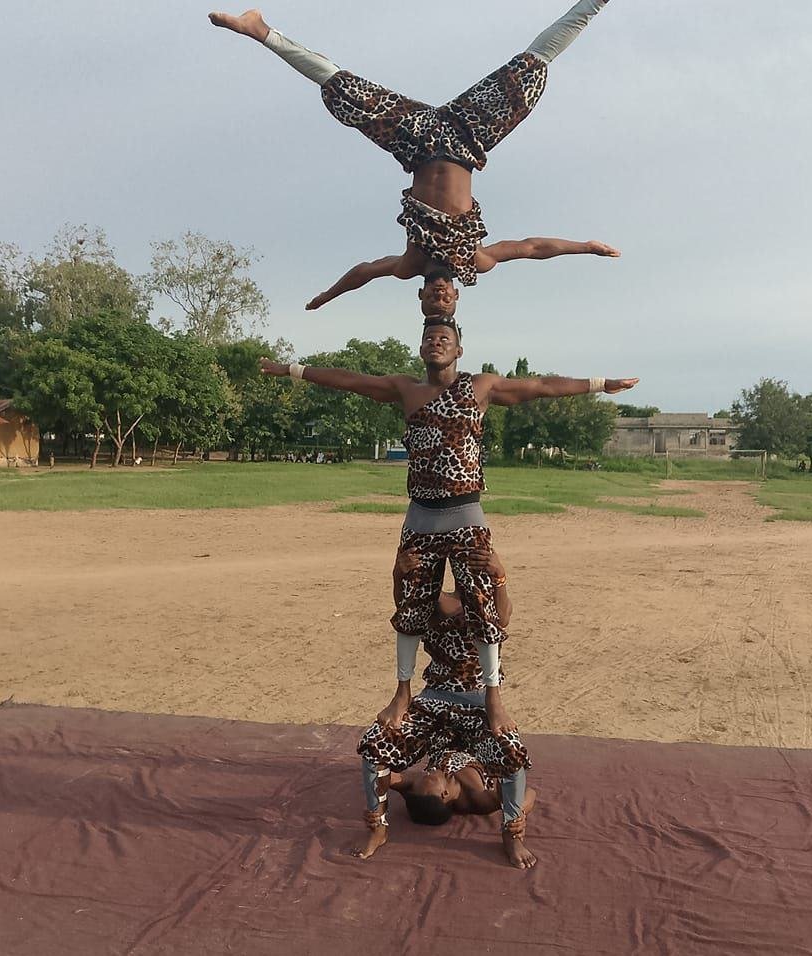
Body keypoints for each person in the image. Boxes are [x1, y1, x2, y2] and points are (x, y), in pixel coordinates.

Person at [260, 314, 638, 735]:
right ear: (421, 349)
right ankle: (402, 690)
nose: (435, 342)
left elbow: (541, 387)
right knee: (410, 603)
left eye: (444, 338)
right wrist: (291, 370)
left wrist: (601, 384)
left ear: (459, 350)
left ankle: (494, 695)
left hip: (465, 512)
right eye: (429, 338)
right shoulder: (406, 389)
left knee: (481, 603)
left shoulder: (481, 387)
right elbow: (349, 379)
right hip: (420, 515)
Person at [208, 2, 620, 308]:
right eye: (446, 300)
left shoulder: (409, 263)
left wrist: (327, 295)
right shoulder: (476, 260)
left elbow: (363, 273)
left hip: (416, 143)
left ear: (422, 293)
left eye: (431, 300)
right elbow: (532, 248)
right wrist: (586, 246)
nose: (439, 296)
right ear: (455, 294)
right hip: (467, 138)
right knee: (530, 68)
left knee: (344, 90)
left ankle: (261, 31)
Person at [353, 545, 538, 869]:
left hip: (480, 700)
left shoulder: (478, 599)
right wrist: (400, 573)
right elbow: (405, 612)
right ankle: (379, 830)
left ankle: (512, 838)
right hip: (438, 698)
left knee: (511, 752)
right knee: (376, 745)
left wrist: (499, 575)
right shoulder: (434, 601)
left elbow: (503, 618)